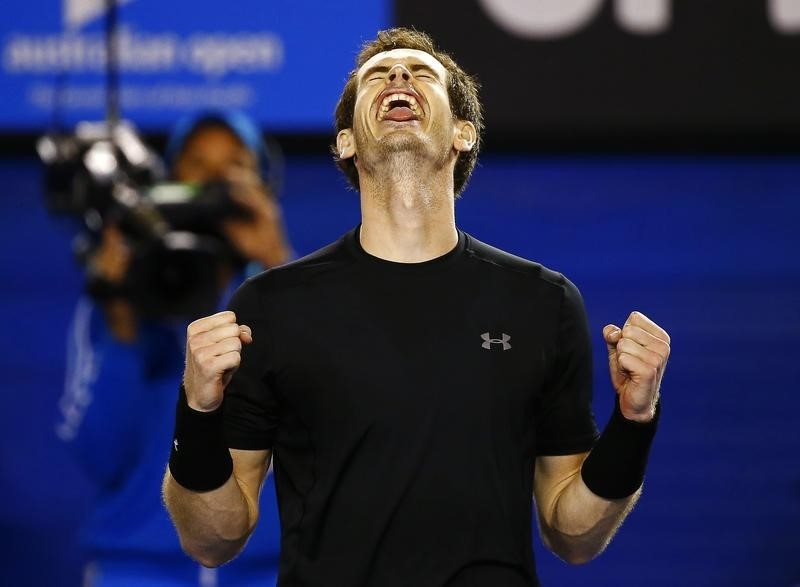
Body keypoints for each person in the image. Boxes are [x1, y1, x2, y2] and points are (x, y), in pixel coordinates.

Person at [163, 29, 671, 587]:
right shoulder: (269, 307)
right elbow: (212, 538)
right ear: (346, 143)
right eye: (377, 76)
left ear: (463, 134)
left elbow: (571, 533)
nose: (398, 77)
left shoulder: (542, 304)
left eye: (421, 73)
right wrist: (197, 413)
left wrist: (634, 422)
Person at [57, 110, 291, 586]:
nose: (213, 182)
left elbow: (318, 435)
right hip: (136, 569)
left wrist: (277, 264)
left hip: (266, 572)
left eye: (234, 166)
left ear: (262, 185)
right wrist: (122, 320)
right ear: (168, 182)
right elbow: (99, 456)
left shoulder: (289, 298)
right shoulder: (122, 297)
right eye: (197, 164)